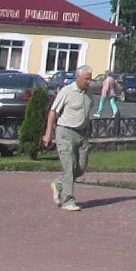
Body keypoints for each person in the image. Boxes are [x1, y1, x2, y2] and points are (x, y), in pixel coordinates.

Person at [42, 65, 93, 212]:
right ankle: (67, 200)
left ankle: (58, 184)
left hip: (82, 134)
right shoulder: (67, 91)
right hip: (65, 132)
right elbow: (53, 112)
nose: (89, 82)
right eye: (86, 79)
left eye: (90, 79)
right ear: (77, 78)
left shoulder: (89, 93)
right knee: (69, 167)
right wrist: (48, 133)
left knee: (81, 167)